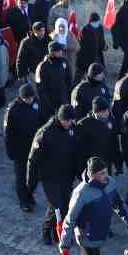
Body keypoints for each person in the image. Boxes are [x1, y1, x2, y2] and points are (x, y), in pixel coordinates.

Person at [28, 104, 80, 244]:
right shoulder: (45, 133)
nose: (70, 123)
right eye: (67, 121)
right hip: (49, 176)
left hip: (66, 175)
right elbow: (33, 159)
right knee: (56, 205)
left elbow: (76, 152)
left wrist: (79, 172)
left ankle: (58, 233)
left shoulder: (71, 129)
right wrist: (31, 182)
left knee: (64, 206)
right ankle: (46, 230)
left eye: (71, 121)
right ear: (61, 119)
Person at [2, 83, 46, 210]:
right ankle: (23, 201)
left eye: (31, 98)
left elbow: (43, 120)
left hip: (34, 146)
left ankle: (29, 195)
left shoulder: (36, 103)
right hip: (20, 148)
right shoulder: (13, 110)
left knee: (34, 174)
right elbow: (8, 132)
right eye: (27, 98)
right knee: (21, 176)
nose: (30, 100)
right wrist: (10, 151)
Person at [76, 11, 106, 80]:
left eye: (97, 21)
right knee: (80, 75)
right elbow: (82, 44)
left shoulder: (100, 28)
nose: (96, 23)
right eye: (95, 22)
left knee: (99, 73)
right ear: (90, 22)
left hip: (97, 56)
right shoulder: (85, 29)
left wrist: (104, 46)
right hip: (85, 57)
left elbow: (101, 41)